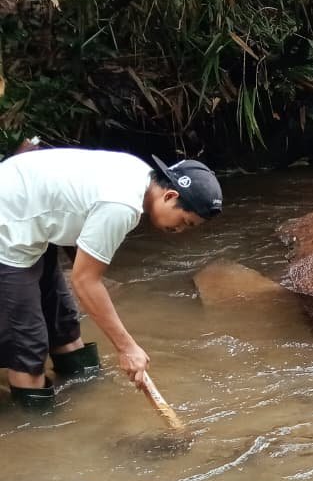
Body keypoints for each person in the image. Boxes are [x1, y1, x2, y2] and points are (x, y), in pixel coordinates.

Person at [0, 148, 222, 408]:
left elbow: (78, 220)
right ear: (170, 195)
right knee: (28, 346)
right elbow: (84, 282)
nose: (180, 230)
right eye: (185, 221)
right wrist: (127, 348)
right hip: (10, 222)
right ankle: (36, 424)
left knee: (64, 325)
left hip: (31, 215)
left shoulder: (139, 174)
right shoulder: (122, 206)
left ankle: (92, 402)